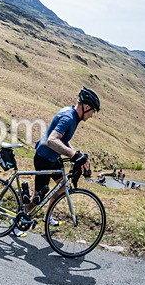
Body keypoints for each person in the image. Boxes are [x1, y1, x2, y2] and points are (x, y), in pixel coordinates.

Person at [13, 87, 100, 237]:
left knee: (63, 186)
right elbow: (52, 140)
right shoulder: (68, 118)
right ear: (86, 107)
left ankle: (47, 217)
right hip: (44, 158)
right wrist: (73, 154)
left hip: (53, 157)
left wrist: (77, 154)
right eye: (92, 111)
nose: (92, 115)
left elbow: (63, 139)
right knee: (37, 199)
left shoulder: (73, 116)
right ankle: (16, 223)